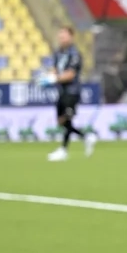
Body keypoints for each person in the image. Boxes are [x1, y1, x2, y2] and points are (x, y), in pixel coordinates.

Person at [45, 26, 96, 161]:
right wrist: (48, 77)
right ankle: (86, 137)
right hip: (61, 91)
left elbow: (70, 74)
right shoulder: (58, 53)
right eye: (60, 36)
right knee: (61, 121)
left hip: (72, 91)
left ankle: (63, 150)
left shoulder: (74, 54)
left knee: (67, 118)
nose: (61, 38)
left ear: (71, 37)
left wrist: (54, 79)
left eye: (64, 36)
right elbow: (54, 69)